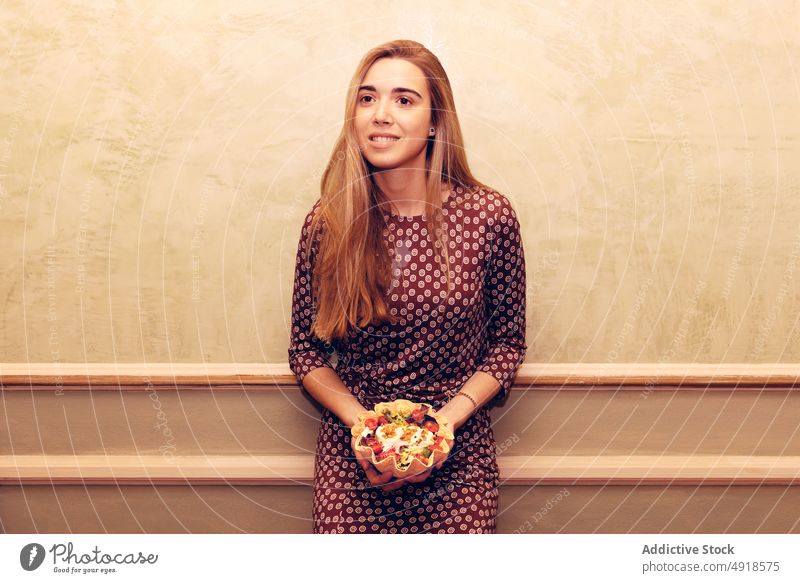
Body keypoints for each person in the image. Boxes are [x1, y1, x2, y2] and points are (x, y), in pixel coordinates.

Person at [288, 39, 527, 533]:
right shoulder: (329, 222)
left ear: (436, 120)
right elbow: (305, 352)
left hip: (457, 454)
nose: (381, 115)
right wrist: (368, 432)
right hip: (355, 458)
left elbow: (507, 346)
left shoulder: (488, 216)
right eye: (367, 98)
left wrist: (441, 430)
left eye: (403, 100)